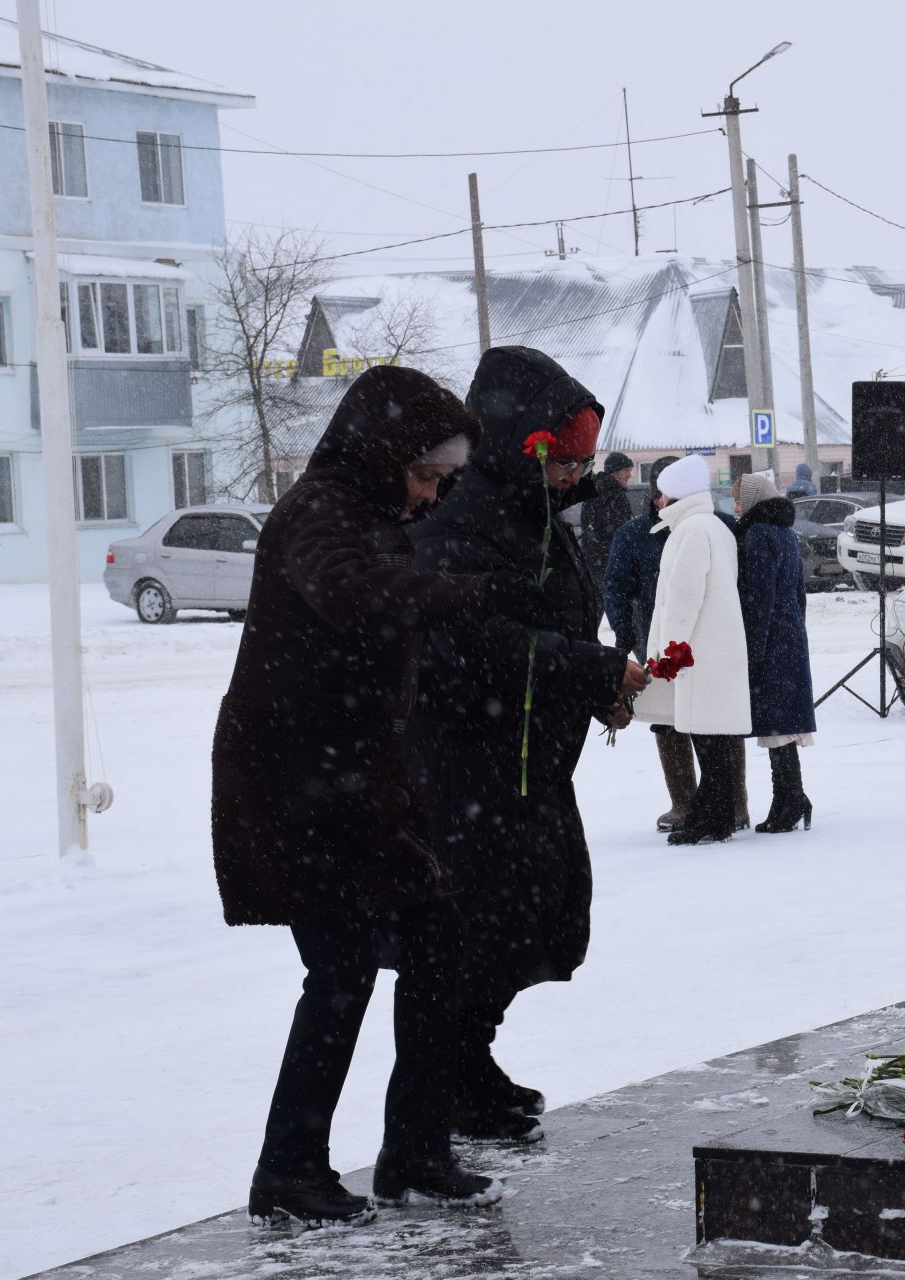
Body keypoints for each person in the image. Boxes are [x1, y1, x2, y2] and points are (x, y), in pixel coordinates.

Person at [211, 364, 558, 1226]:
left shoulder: (374, 513)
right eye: (426, 476)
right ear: (383, 454)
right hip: (298, 786)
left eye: (444, 481)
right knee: (339, 974)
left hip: (361, 781)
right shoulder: (320, 512)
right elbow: (353, 597)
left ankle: (414, 1155)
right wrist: (465, 594)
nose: (433, 497)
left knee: (437, 953)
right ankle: (287, 1172)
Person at [408, 347, 648, 1144]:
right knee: (473, 933)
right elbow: (480, 639)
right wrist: (590, 668)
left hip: (528, 764)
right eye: (565, 460)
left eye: (583, 462)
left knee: (536, 915)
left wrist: (594, 687)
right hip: (468, 765)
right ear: (523, 443)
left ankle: (470, 1062)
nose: (575, 477)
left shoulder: (534, 510)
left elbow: (555, 615)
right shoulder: (459, 514)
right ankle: (447, 1085)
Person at [604, 458, 751, 834]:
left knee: (706, 737)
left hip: (695, 651)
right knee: (714, 736)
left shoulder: (689, 532)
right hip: (714, 647)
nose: (660, 499)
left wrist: (671, 652)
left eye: (665, 491)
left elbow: (683, 599)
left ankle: (711, 817)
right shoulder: (712, 526)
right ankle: (716, 811)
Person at [734, 471, 816, 832]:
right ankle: (790, 797)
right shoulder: (785, 532)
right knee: (782, 724)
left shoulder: (757, 534)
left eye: (739, 499)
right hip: (791, 635)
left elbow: (758, 597)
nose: (736, 507)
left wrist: (753, 650)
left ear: (752, 500)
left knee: (776, 724)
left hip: (770, 639)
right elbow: (800, 592)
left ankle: (790, 800)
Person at [579, 450, 635, 583]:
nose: (629, 475)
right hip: (609, 564)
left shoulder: (596, 489)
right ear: (615, 471)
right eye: (626, 470)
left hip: (595, 565)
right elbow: (619, 531)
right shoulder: (613, 494)